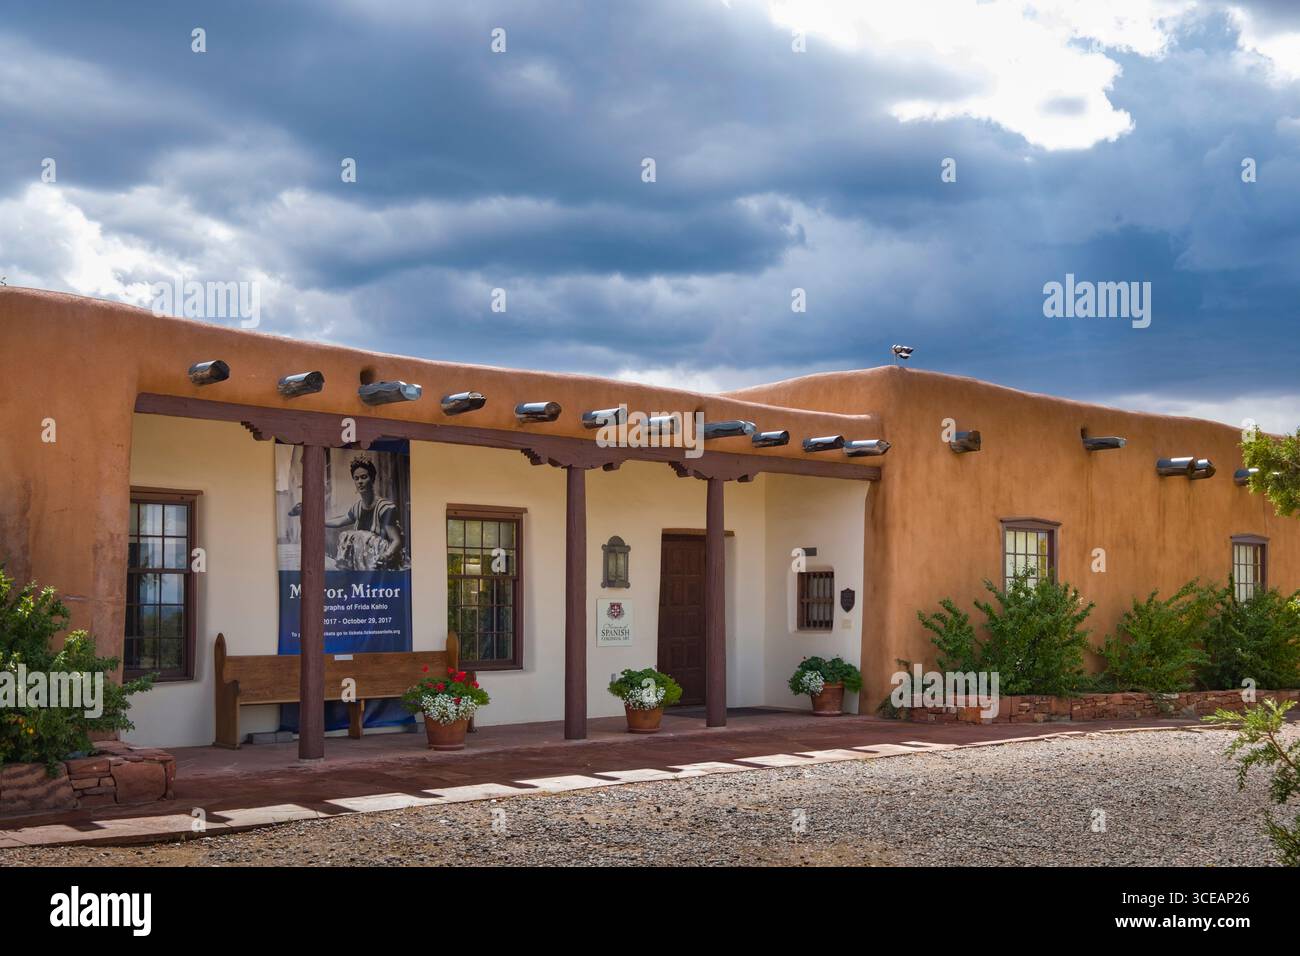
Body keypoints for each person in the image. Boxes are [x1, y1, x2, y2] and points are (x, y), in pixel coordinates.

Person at [291, 456, 405, 569]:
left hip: (383, 559)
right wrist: (318, 522)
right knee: (346, 535)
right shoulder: (358, 507)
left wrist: (385, 555)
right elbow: (340, 521)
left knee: (360, 535)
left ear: (373, 478)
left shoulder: (385, 507)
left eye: (364, 477)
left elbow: (396, 540)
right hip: (363, 559)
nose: (360, 482)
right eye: (356, 478)